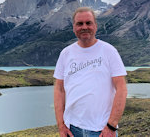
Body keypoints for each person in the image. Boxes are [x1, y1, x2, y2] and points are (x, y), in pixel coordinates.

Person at [53, 7, 128, 137]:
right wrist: (61, 125)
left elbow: (121, 88)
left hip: (102, 130)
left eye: (88, 23)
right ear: (73, 27)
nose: (84, 27)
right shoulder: (65, 54)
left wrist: (111, 126)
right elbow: (59, 90)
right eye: (79, 24)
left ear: (95, 26)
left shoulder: (109, 51)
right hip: (72, 130)